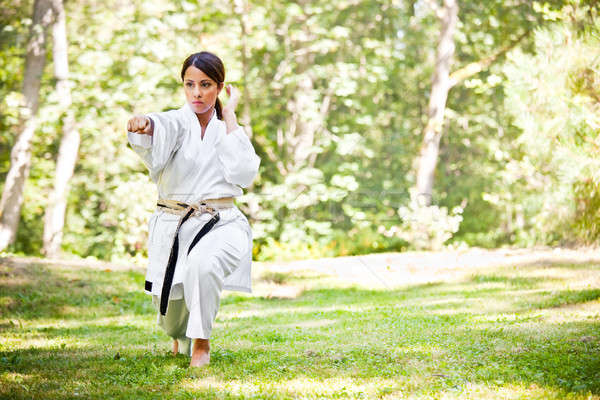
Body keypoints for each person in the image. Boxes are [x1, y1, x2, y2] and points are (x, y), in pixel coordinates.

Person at [126, 51, 260, 367]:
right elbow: (162, 125)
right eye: (190, 85)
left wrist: (230, 116)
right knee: (172, 318)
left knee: (203, 263)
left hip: (222, 222)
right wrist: (146, 124)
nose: (197, 93)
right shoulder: (176, 121)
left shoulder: (228, 127)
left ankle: (202, 344)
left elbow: (244, 173)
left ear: (219, 87)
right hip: (176, 225)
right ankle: (182, 334)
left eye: (205, 84)